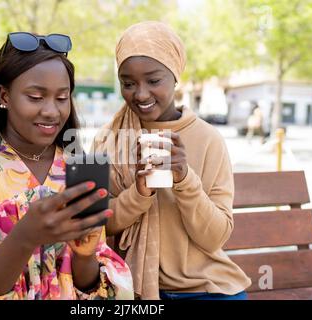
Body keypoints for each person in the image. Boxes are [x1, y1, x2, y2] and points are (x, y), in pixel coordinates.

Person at [0, 31, 133, 300]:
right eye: (35, 97)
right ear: (4, 96)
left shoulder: (78, 165)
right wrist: (24, 236)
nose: (51, 111)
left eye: (62, 97)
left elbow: (91, 290)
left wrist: (85, 254)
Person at [93, 21, 251, 300]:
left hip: (206, 287)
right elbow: (97, 225)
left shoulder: (208, 139)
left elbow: (215, 238)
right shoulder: (107, 139)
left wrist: (185, 180)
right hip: (132, 285)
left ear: (175, 77)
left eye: (154, 81)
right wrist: (139, 193)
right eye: (128, 83)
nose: (140, 94)